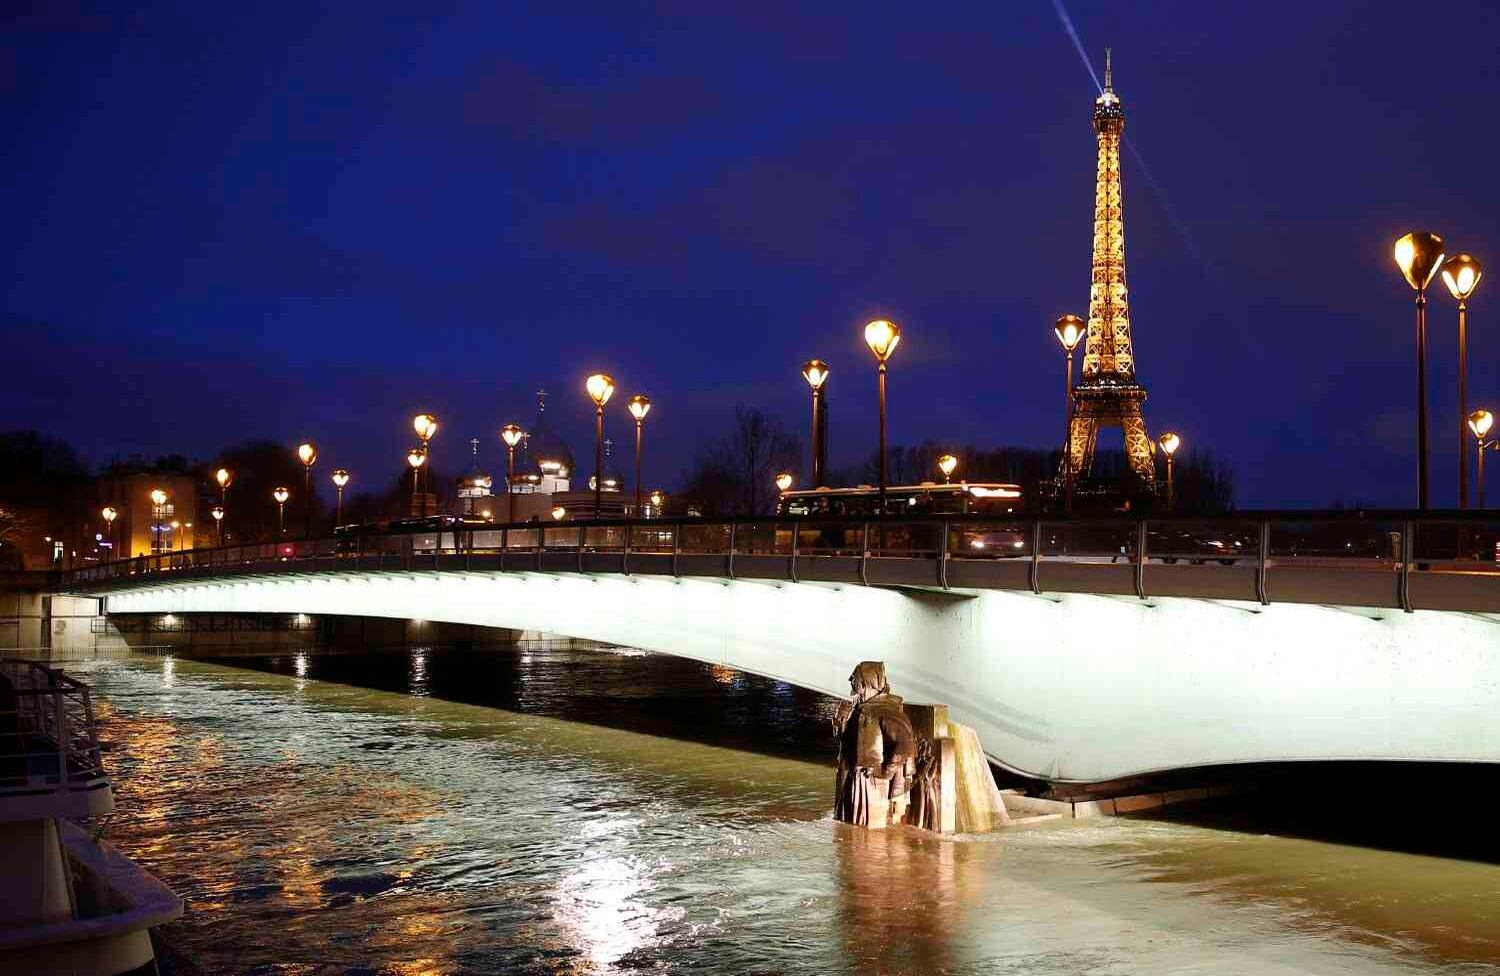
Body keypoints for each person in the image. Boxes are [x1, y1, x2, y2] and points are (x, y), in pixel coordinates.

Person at [833, 661, 917, 828]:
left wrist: (885, 771)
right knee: (853, 836)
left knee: (867, 839)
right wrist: (841, 723)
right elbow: (848, 744)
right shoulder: (860, 709)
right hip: (853, 778)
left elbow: (905, 745)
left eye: (855, 681)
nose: (851, 684)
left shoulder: (884, 711)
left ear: (866, 683)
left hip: (869, 783)